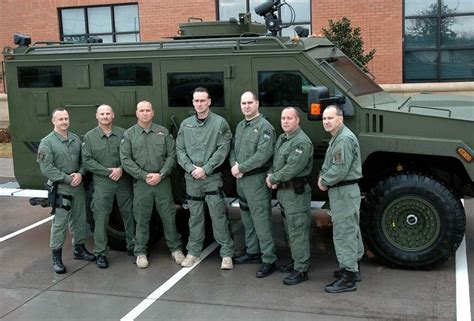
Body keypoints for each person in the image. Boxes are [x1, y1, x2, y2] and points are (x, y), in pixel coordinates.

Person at [120, 100, 184, 269]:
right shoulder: (129, 135)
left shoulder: (162, 132)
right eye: (142, 110)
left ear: (153, 113)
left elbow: (172, 155)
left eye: (148, 110)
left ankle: (175, 249)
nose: (145, 113)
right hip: (142, 183)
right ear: (137, 113)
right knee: (141, 218)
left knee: (169, 216)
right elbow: (126, 160)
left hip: (162, 182)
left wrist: (161, 174)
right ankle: (140, 251)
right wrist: (144, 175)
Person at [176, 87, 234, 270]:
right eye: (196, 100)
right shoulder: (185, 125)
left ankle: (226, 254)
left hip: (211, 177)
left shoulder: (220, 123)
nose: (199, 104)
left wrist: (206, 169)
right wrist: (191, 168)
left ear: (209, 102)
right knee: (195, 217)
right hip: (192, 178)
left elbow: (223, 149)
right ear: (193, 102)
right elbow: (180, 150)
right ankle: (193, 252)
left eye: (202, 100)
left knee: (218, 216)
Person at [37, 108, 95, 274]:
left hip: (77, 186)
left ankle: (79, 249)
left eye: (66, 118)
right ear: (53, 121)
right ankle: (56, 257)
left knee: (79, 219)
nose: (63, 122)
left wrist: (80, 173)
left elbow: (84, 161)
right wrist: (68, 178)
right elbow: (46, 168)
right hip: (61, 187)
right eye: (60, 119)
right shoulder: (47, 142)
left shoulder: (75, 139)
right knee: (60, 223)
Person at [230, 91, 277, 278]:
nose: (246, 106)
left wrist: (241, 167)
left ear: (257, 104)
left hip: (256, 179)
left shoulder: (265, 127)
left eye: (250, 102)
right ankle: (253, 252)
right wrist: (234, 165)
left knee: (261, 220)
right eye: (243, 103)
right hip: (241, 179)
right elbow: (233, 149)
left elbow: (263, 155)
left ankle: (269, 259)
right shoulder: (241, 126)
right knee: (247, 219)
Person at [82, 104, 136, 269]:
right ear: (97, 116)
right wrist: (107, 172)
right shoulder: (90, 137)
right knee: (101, 218)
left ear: (113, 115)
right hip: (102, 182)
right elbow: (88, 161)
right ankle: (100, 253)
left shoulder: (123, 134)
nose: (105, 116)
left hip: (122, 180)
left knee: (129, 215)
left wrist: (121, 168)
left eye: (108, 113)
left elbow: (130, 155)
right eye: (102, 114)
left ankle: (134, 247)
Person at [317, 104, 364, 293]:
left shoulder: (343, 139)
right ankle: (353, 267)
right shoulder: (338, 137)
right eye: (324, 119)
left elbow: (339, 169)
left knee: (344, 233)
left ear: (340, 118)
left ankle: (348, 277)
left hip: (343, 192)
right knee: (350, 230)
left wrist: (324, 180)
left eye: (330, 118)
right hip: (344, 192)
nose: (326, 122)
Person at [266, 107, 313, 285]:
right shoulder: (283, 138)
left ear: (298, 120)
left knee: (297, 230)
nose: (285, 121)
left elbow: (292, 167)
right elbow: (276, 162)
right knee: (289, 230)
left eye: (289, 118)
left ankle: (301, 270)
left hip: (296, 192)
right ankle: (296, 261)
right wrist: (272, 175)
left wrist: (274, 178)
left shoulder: (301, 142)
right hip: (284, 192)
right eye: (283, 118)